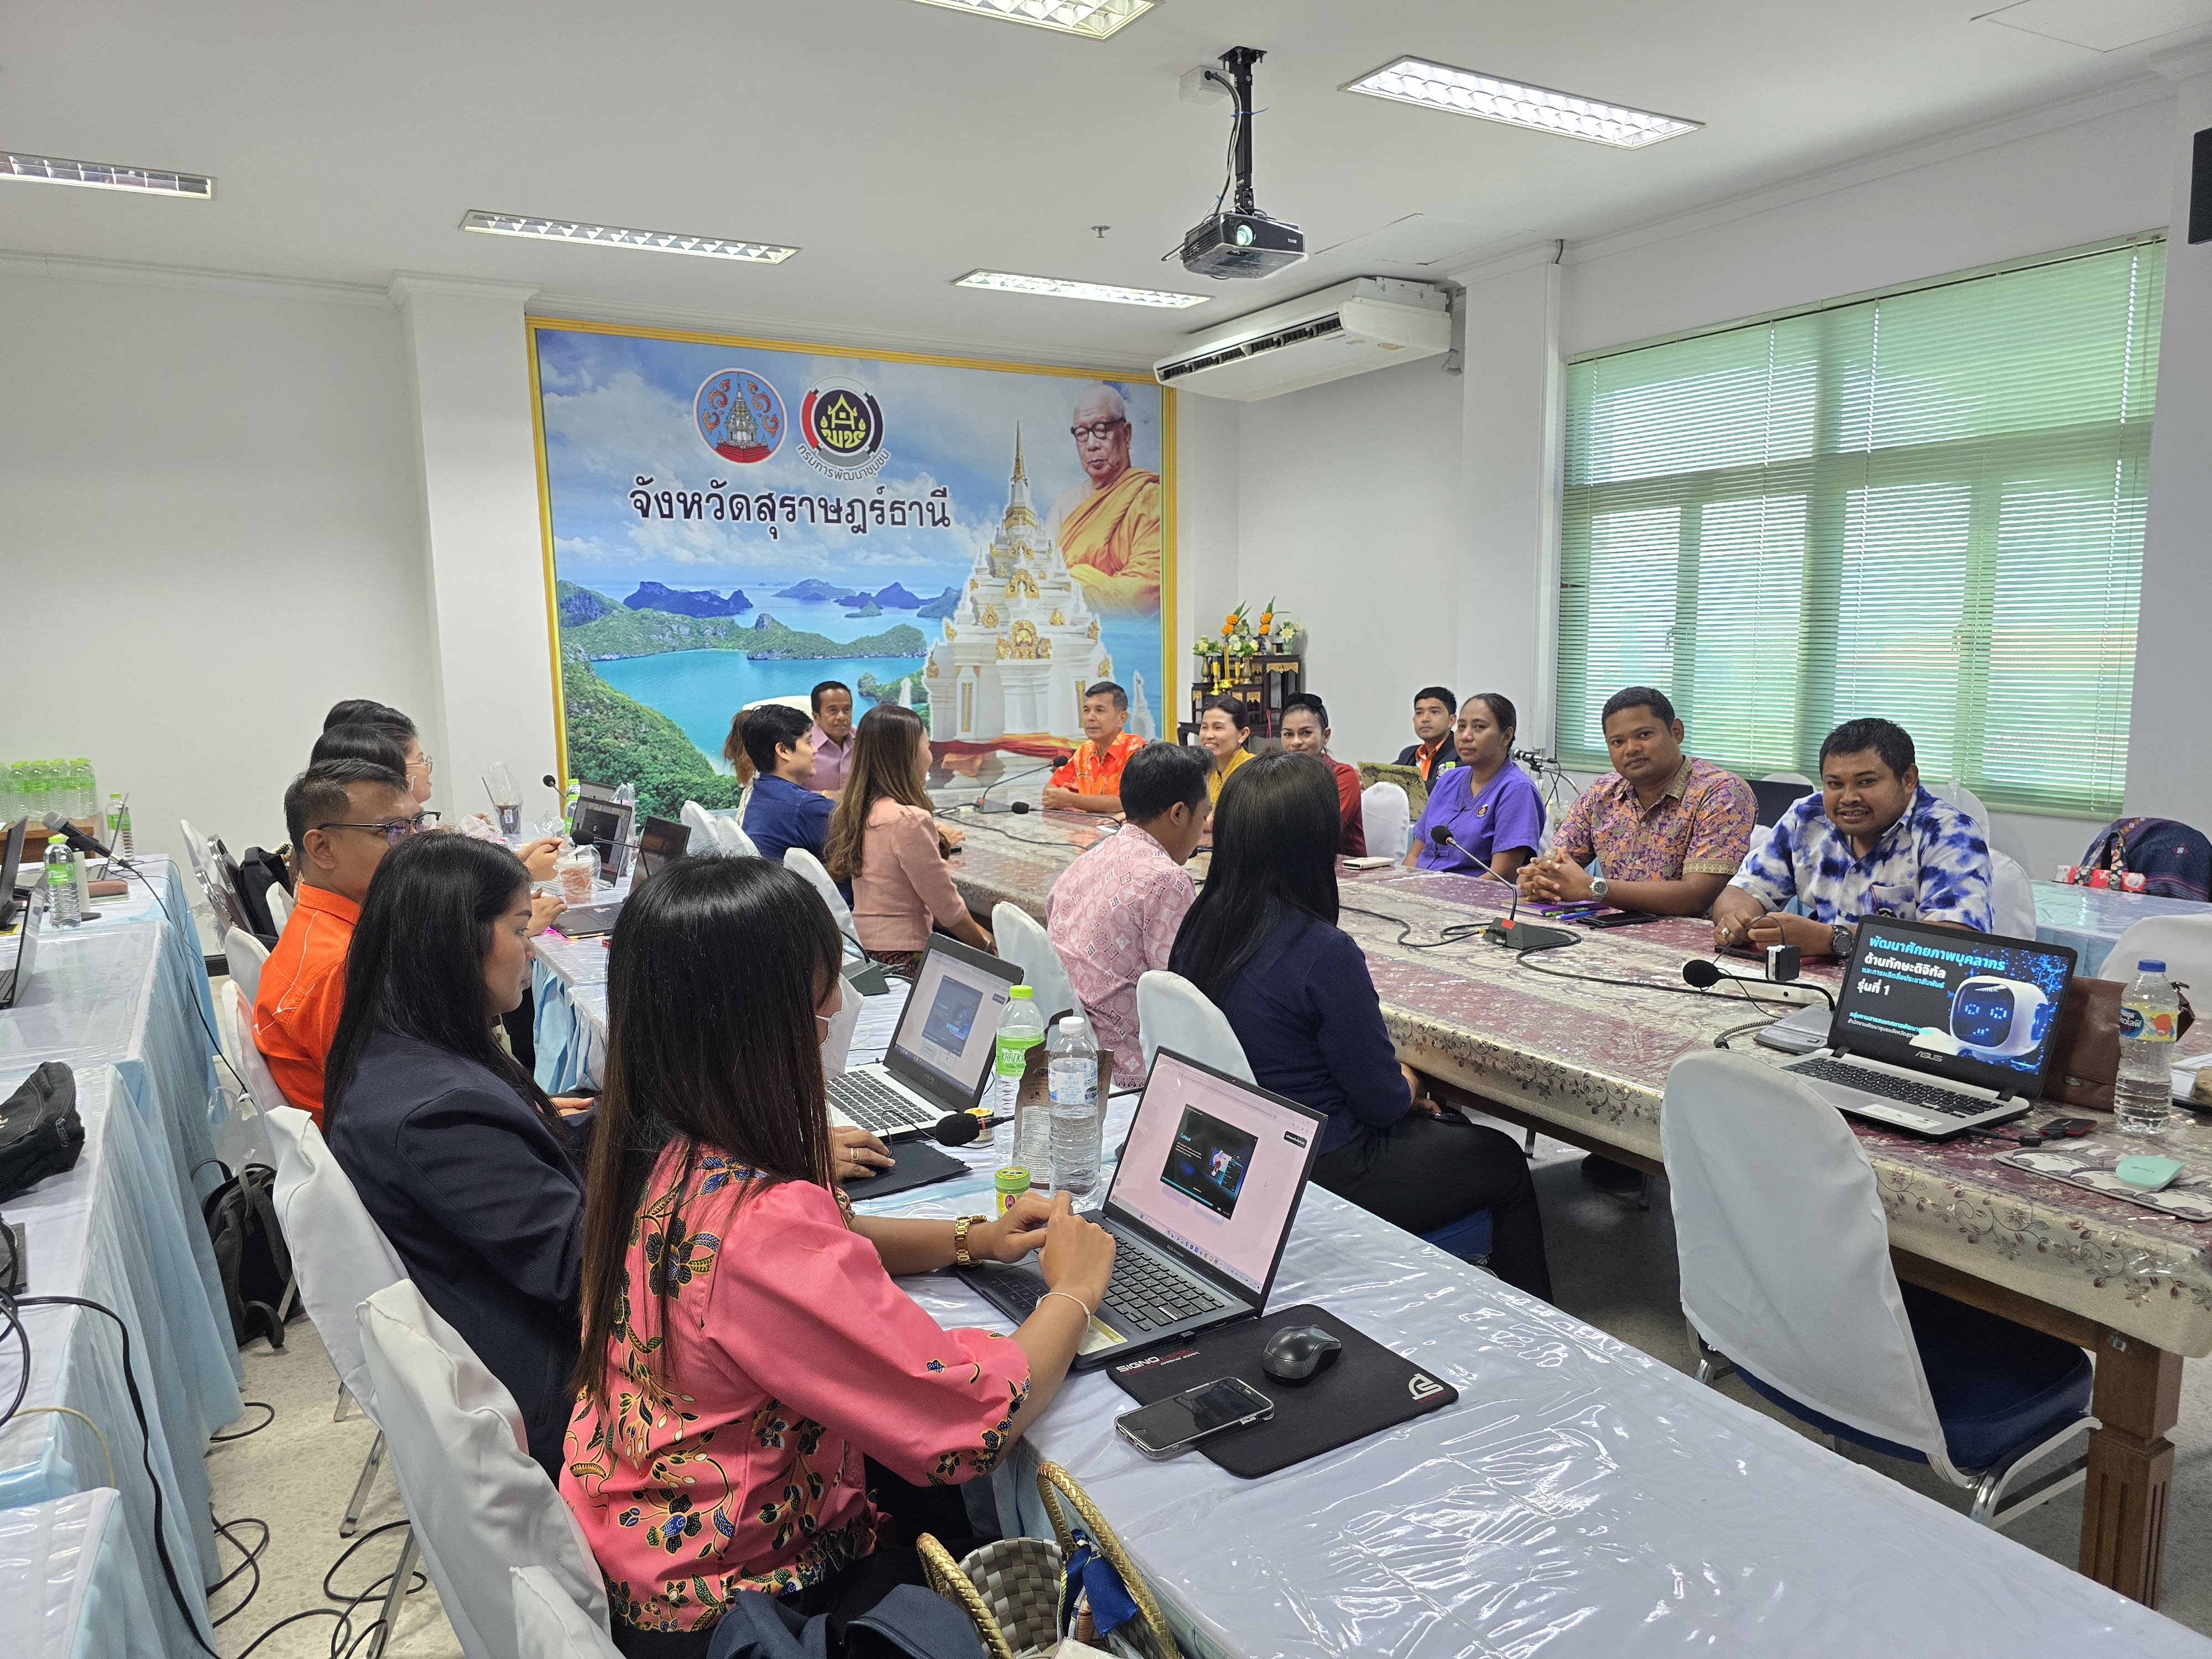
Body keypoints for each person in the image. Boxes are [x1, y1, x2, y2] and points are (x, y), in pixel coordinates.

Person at [561, 857, 1114, 1657]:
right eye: (821, 995)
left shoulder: (658, 1149)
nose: (835, 1012)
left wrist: (971, 1240)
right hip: (749, 1604)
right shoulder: (764, 1227)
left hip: (646, 1544)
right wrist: (1075, 1291)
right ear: (757, 1023)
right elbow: (968, 1426)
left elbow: (823, 1242)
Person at [1168, 754, 1551, 1299]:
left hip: (1232, 1150)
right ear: (1313, 842)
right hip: (1325, 1165)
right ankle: (1539, 1331)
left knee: (1450, 1132)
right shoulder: (1321, 950)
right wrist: (1412, 1083)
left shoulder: (1201, 922)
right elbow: (1380, 1103)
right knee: (1502, 1159)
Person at [321, 833, 584, 1480]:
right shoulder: (441, 1114)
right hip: (565, 1397)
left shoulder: (402, 1050)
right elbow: (586, 1273)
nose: (531, 948)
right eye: (520, 928)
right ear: (453, 942)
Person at [1712, 717, 1993, 958]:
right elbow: (1742, 892)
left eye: (1866, 782)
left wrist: (1830, 939)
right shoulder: (1808, 817)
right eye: (1835, 784)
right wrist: (1737, 922)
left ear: (1908, 779)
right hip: (1812, 987)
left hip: (1900, 995)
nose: (1848, 798)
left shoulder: (1949, 833)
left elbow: (1955, 942)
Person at [253, 760, 422, 1121]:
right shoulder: (339, 967)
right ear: (322, 848)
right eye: (393, 830)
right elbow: (399, 1108)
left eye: (417, 824)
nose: (415, 844)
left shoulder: (328, 927)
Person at [1045, 743, 1208, 1088]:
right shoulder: (1167, 879)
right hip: (1130, 1071)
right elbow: (1177, 992)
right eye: (1204, 816)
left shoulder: (1090, 857)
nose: (1202, 830)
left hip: (1072, 1051)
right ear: (1179, 813)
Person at [1519, 687, 1755, 917]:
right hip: (1609, 931)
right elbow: (1550, 868)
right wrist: (1538, 881)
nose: (1631, 749)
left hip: (1693, 942)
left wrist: (1593, 888)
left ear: (1676, 731)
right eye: (1618, 742)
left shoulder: (1722, 793)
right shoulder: (1601, 794)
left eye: (1644, 735)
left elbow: (1695, 897)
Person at [823, 703, 993, 971]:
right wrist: (989, 948)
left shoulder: (858, 811)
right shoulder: (908, 820)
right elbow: (948, 910)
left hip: (867, 950)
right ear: (907, 756)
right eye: (927, 747)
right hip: (903, 958)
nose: (931, 757)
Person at [1048, 384, 1160, 615]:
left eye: (1102, 429)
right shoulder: (1065, 504)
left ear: (1126, 433)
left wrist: (1074, 579)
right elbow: (1040, 578)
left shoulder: (1149, 497)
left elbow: (1142, 593)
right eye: (1081, 434)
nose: (1092, 444)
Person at [1406, 693, 1543, 881]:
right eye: (1461, 727)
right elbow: (1414, 855)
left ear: (1506, 736)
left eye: (1479, 727)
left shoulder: (1517, 790)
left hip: (1471, 901)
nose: (1466, 736)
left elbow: (1501, 875)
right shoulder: (1449, 779)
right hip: (1420, 891)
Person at [741, 703, 836, 866]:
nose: (815, 750)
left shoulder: (760, 793)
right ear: (783, 750)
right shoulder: (805, 807)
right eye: (808, 742)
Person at [1278, 693, 1366, 857]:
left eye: (1306, 733)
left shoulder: (1342, 776)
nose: (1296, 741)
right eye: (1288, 734)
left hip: (1343, 870)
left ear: (1325, 736)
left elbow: (1318, 832)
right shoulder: (1280, 776)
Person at [1042, 681, 1145, 814]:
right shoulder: (1085, 751)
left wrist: (1071, 800)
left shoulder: (1136, 749)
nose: (1090, 718)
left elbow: (1125, 803)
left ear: (1122, 718)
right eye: (1086, 710)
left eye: (1099, 710)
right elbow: (1051, 791)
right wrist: (1063, 798)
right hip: (1086, 830)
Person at [1196, 694, 1254, 808]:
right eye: (1204, 727)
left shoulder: (1253, 771)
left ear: (1242, 734)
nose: (1208, 735)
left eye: (1218, 727)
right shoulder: (1204, 770)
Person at [1395, 687, 1459, 784]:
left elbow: (1447, 789)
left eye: (1434, 712)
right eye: (1419, 713)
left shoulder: (1462, 754)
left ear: (1451, 720)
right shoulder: (1408, 755)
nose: (1425, 719)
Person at [807, 681, 856, 796]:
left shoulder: (864, 740)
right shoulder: (800, 745)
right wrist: (826, 795)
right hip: (812, 812)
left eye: (847, 710)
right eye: (833, 710)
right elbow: (786, 792)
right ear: (816, 716)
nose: (842, 717)